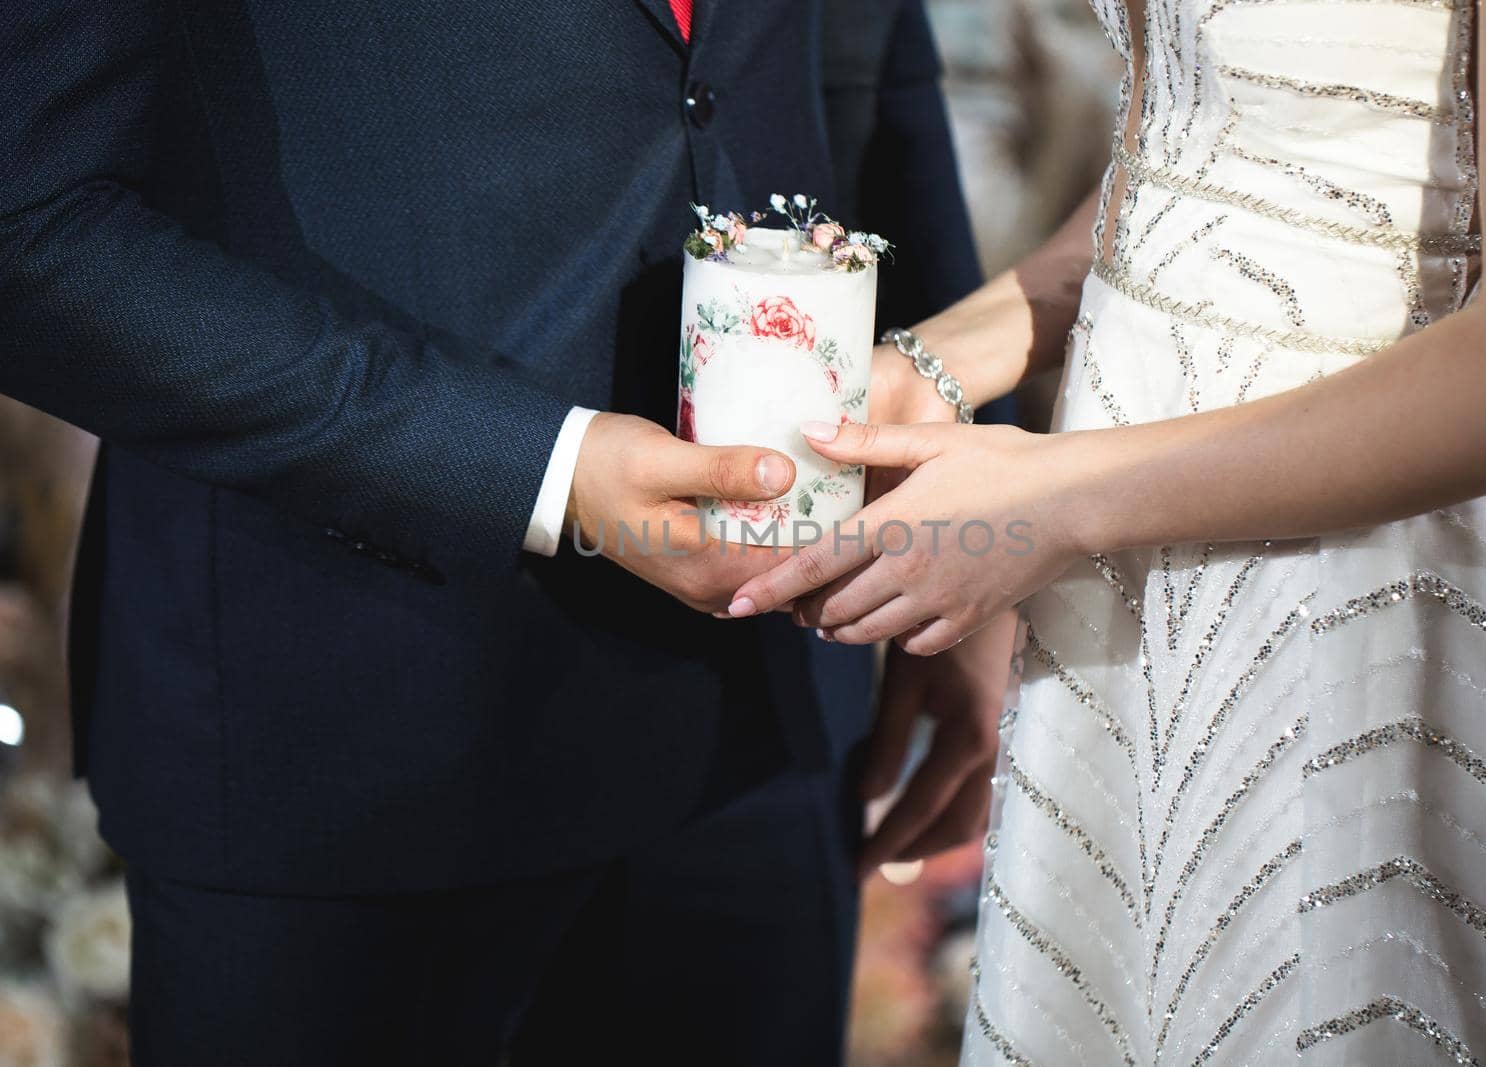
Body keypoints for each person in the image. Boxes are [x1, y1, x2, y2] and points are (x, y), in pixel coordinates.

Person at [0, 2, 992, 1064]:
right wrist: (535, 465)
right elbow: (28, 225)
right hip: (342, 734)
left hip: (776, 710)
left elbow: (861, 71)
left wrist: (972, 517)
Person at [730, 0, 1486, 1062]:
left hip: (1363, 560)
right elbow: (1209, 137)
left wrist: (1059, 499)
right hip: (1121, 541)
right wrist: (943, 361)